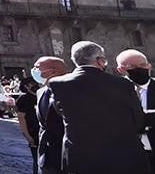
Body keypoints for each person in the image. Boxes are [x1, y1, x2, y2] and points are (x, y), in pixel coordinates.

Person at [47, 40, 148, 174]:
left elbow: (58, 113)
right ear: (100, 61)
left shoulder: (57, 84)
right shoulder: (122, 84)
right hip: (122, 157)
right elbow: (138, 120)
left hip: (81, 159)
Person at [116, 48, 155, 173]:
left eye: (142, 65)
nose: (139, 69)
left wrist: (135, 118)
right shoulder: (115, 93)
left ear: (149, 66)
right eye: (133, 66)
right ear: (121, 70)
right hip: (131, 157)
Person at [33, 56, 69, 174]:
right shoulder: (40, 92)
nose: (34, 71)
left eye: (37, 68)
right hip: (46, 155)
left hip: (69, 154)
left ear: (53, 71)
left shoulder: (72, 90)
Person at [14, 75, 41, 174]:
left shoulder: (40, 95)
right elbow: (21, 118)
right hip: (33, 132)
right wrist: (27, 135)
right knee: (37, 161)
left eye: (35, 83)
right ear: (25, 86)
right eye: (31, 83)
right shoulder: (24, 98)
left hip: (46, 132)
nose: (35, 85)